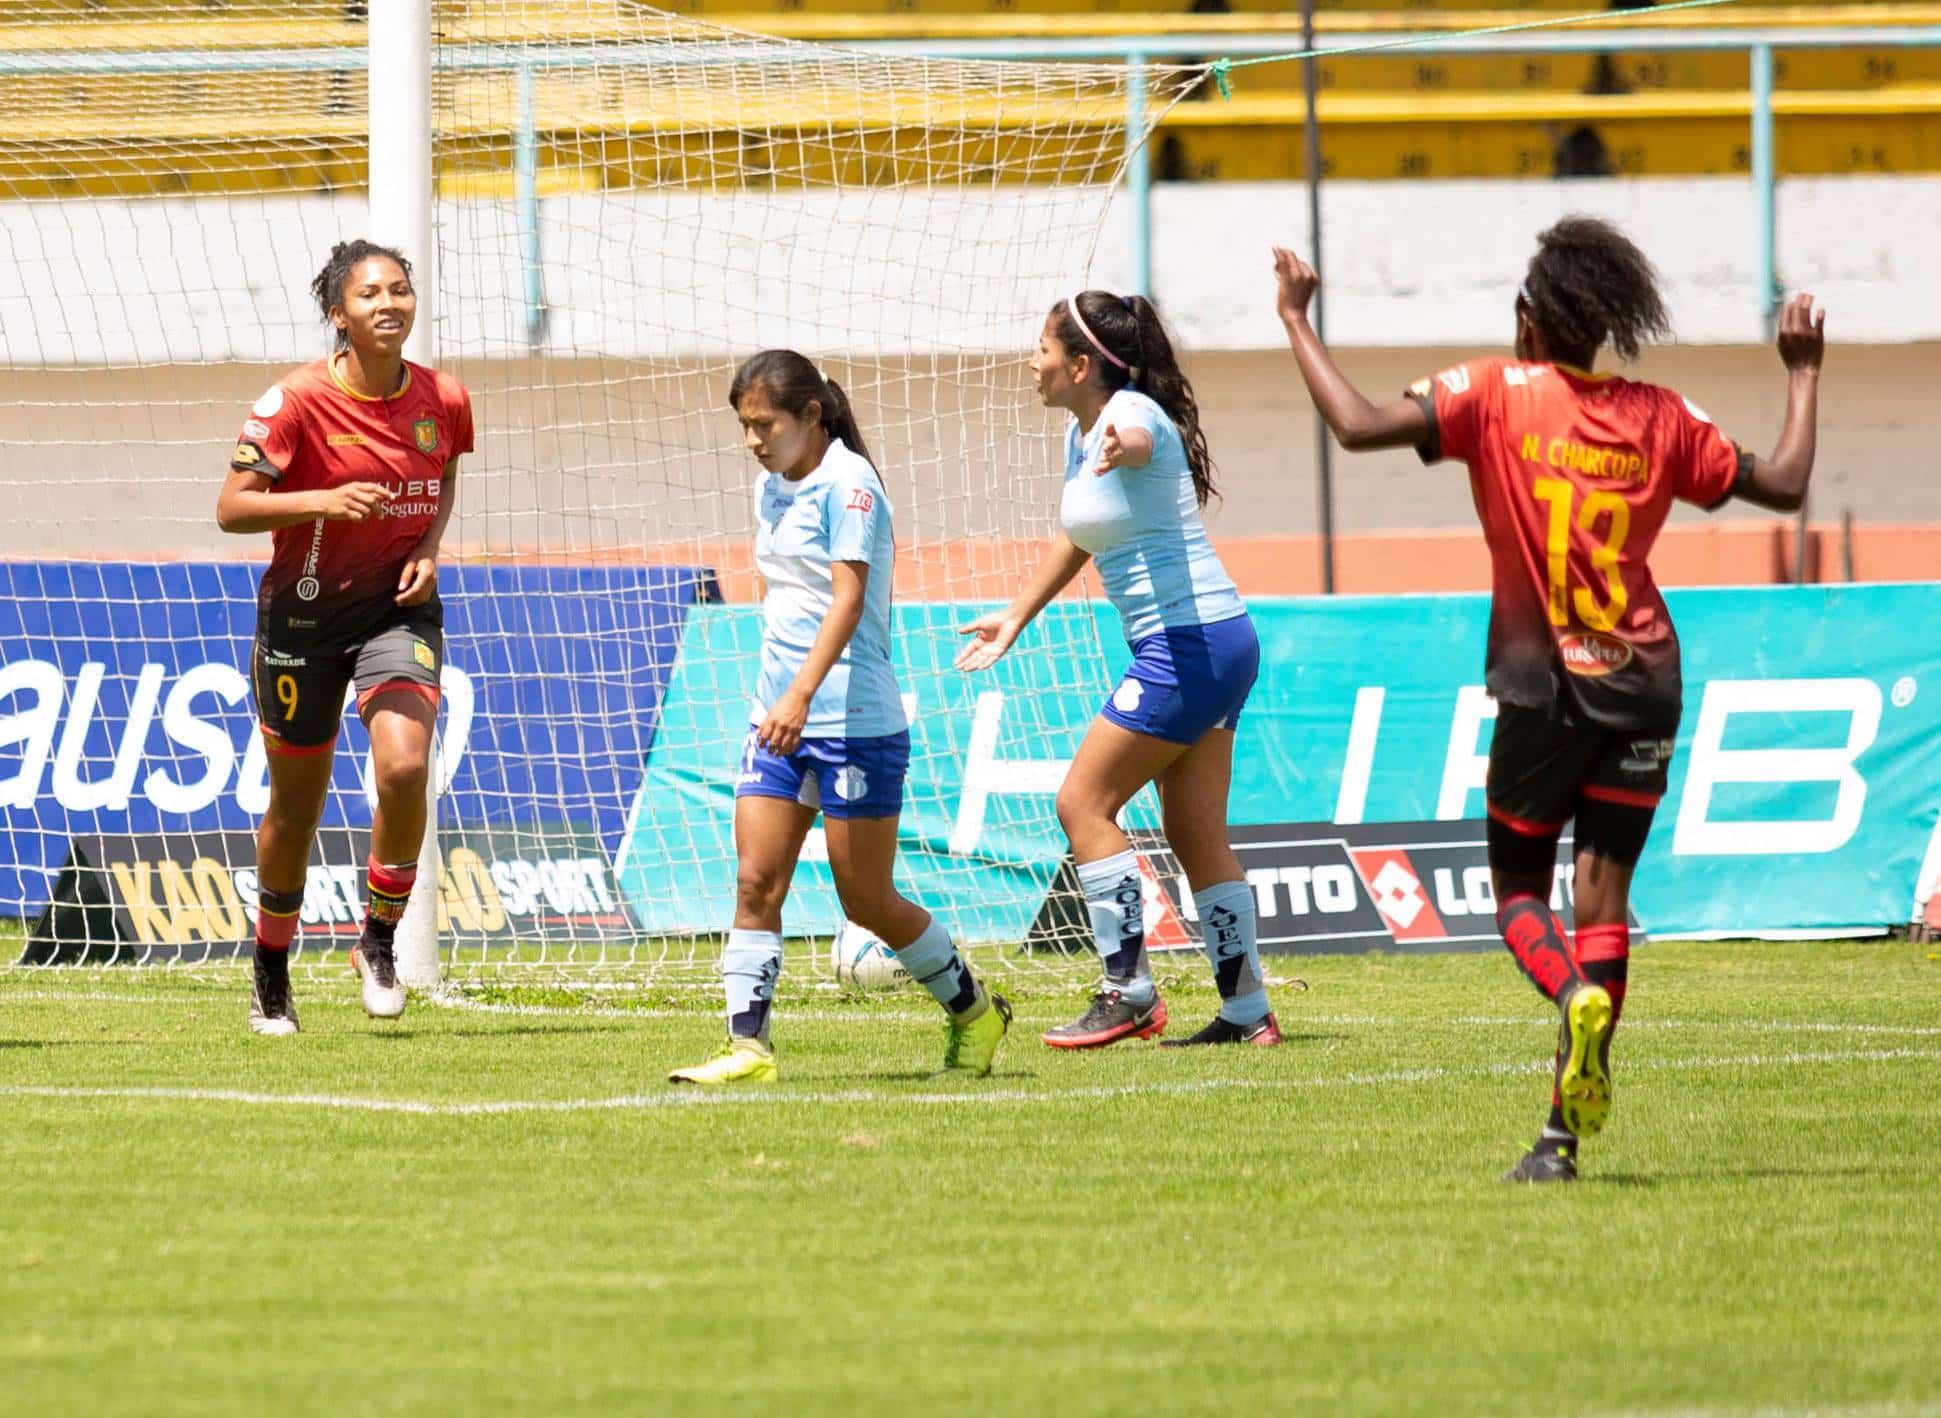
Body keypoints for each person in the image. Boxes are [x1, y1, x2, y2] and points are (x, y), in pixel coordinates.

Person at [1270, 216, 1825, 1180]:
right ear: (1602, 322)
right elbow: (1780, 484)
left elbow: (1356, 425)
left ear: (1528, 318)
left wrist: (1294, 318)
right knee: (1603, 895)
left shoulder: (1490, 393)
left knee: (1520, 895)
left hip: (1543, 690)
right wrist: (1803, 371)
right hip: (1647, 687)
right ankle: (1558, 1139)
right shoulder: (1661, 416)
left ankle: (1570, 995)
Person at [669, 350, 1010, 1085]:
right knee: (756, 882)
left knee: (866, 897)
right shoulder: (770, 487)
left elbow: (847, 602)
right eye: (745, 426)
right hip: (777, 721)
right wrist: (778, 700)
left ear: (812, 417)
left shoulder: (850, 485)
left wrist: (799, 694)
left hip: (851, 722)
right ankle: (747, 1049)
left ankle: (975, 1009)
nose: (754, 440)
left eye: (766, 424)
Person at [957, 292, 1281, 1049]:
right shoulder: (1080, 434)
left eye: (1041, 348)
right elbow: (1081, 536)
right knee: (1194, 829)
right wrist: (1015, 615)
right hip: (1212, 639)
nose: (1030, 362)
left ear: (1078, 365)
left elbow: (1136, 435)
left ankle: (1128, 991)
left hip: (1189, 643)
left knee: (1081, 805)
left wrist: (1123, 445)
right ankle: (1245, 1012)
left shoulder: (1128, 414)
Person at [215, 239, 473, 1036]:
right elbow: (231, 508)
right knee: (296, 810)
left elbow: (444, 475)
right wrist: (323, 499)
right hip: (301, 622)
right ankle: (270, 968)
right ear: (339, 314)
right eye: (369, 295)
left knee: (403, 767)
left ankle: (378, 940)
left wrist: (428, 547)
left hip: (395, 614)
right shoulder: (292, 402)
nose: (389, 303)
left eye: (399, 289)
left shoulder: (446, 399)